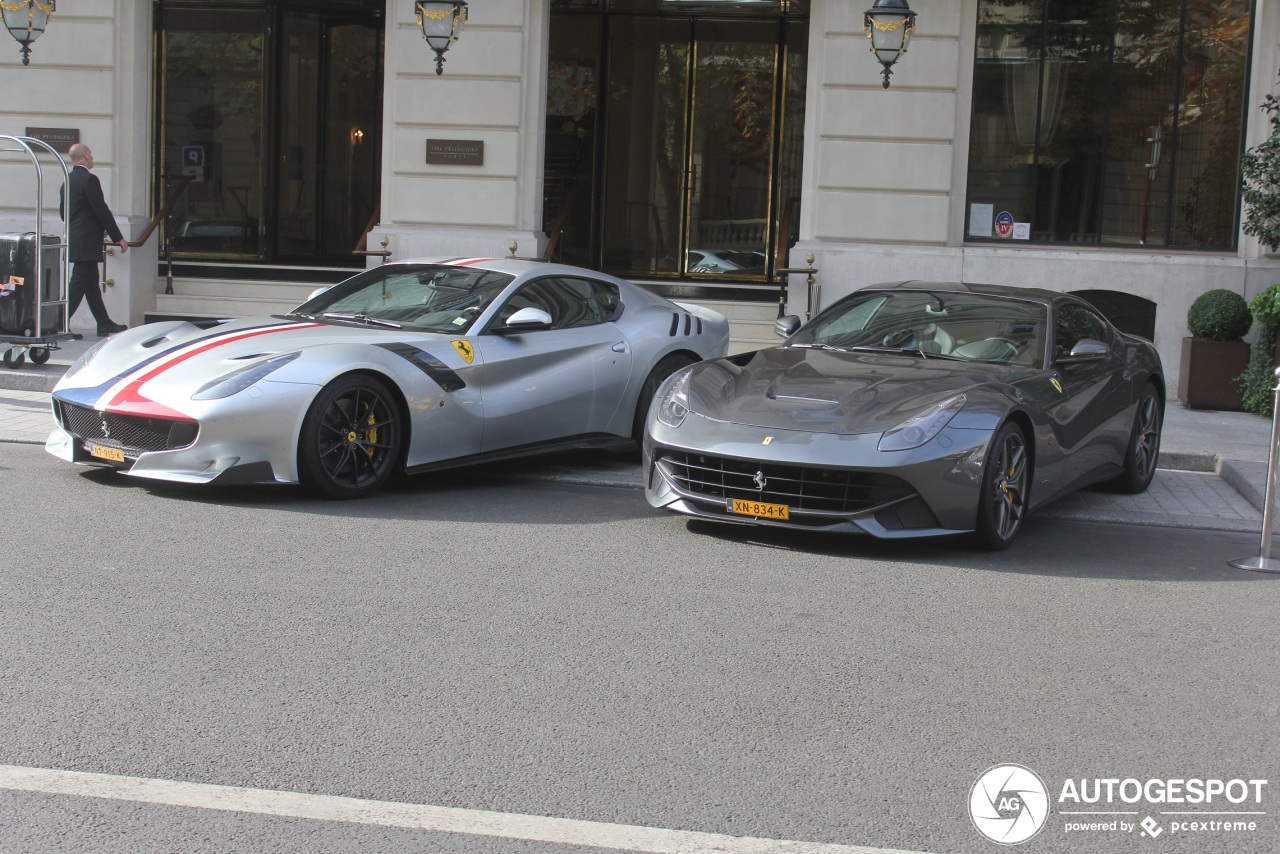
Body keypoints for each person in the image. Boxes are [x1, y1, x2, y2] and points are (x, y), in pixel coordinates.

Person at [60, 143, 128, 336]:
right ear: (84, 157)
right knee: (79, 283)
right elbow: (101, 211)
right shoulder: (89, 180)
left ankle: (104, 323)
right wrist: (118, 238)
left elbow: (63, 213)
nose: (92, 157)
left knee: (91, 284)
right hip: (87, 242)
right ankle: (58, 322)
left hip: (77, 239)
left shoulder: (68, 180)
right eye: (90, 154)